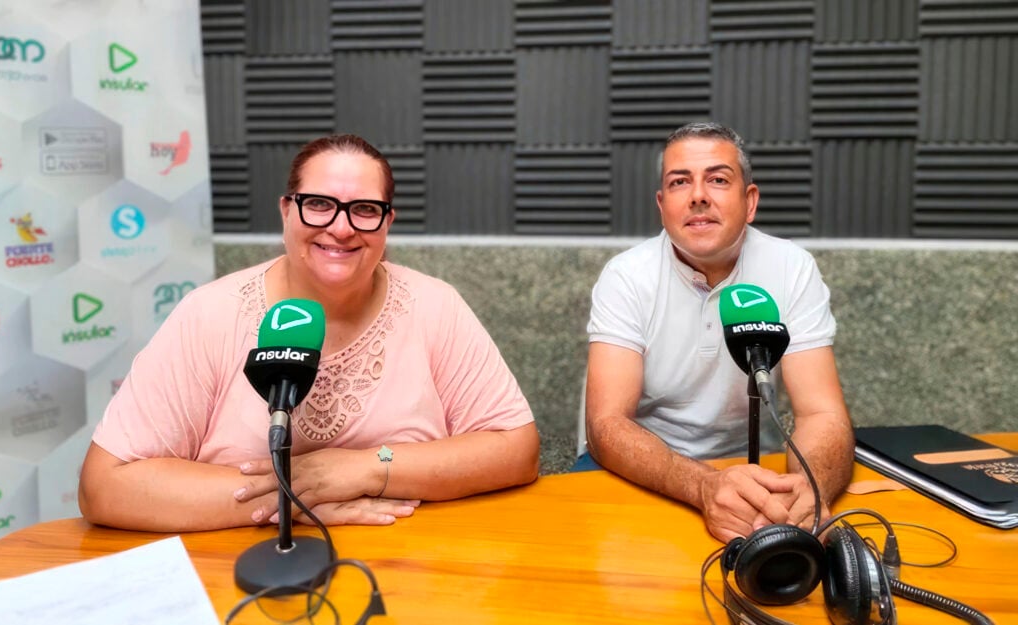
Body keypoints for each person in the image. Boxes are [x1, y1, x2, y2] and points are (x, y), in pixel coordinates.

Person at [79, 134, 540, 531]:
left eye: (364, 209)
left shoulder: (434, 305)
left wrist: (364, 468)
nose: (340, 228)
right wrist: (294, 497)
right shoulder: (210, 314)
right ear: (287, 211)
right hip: (246, 571)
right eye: (318, 204)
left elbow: (515, 450)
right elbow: (106, 485)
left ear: (387, 222)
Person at [583, 122, 853, 543]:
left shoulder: (791, 267)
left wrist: (810, 489)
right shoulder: (626, 276)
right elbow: (606, 424)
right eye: (679, 182)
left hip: (754, 465)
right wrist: (702, 485)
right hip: (649, 470)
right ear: (662, 205)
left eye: (718, 180)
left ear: (750, 201)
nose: (698, 196)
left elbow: (821, 413)